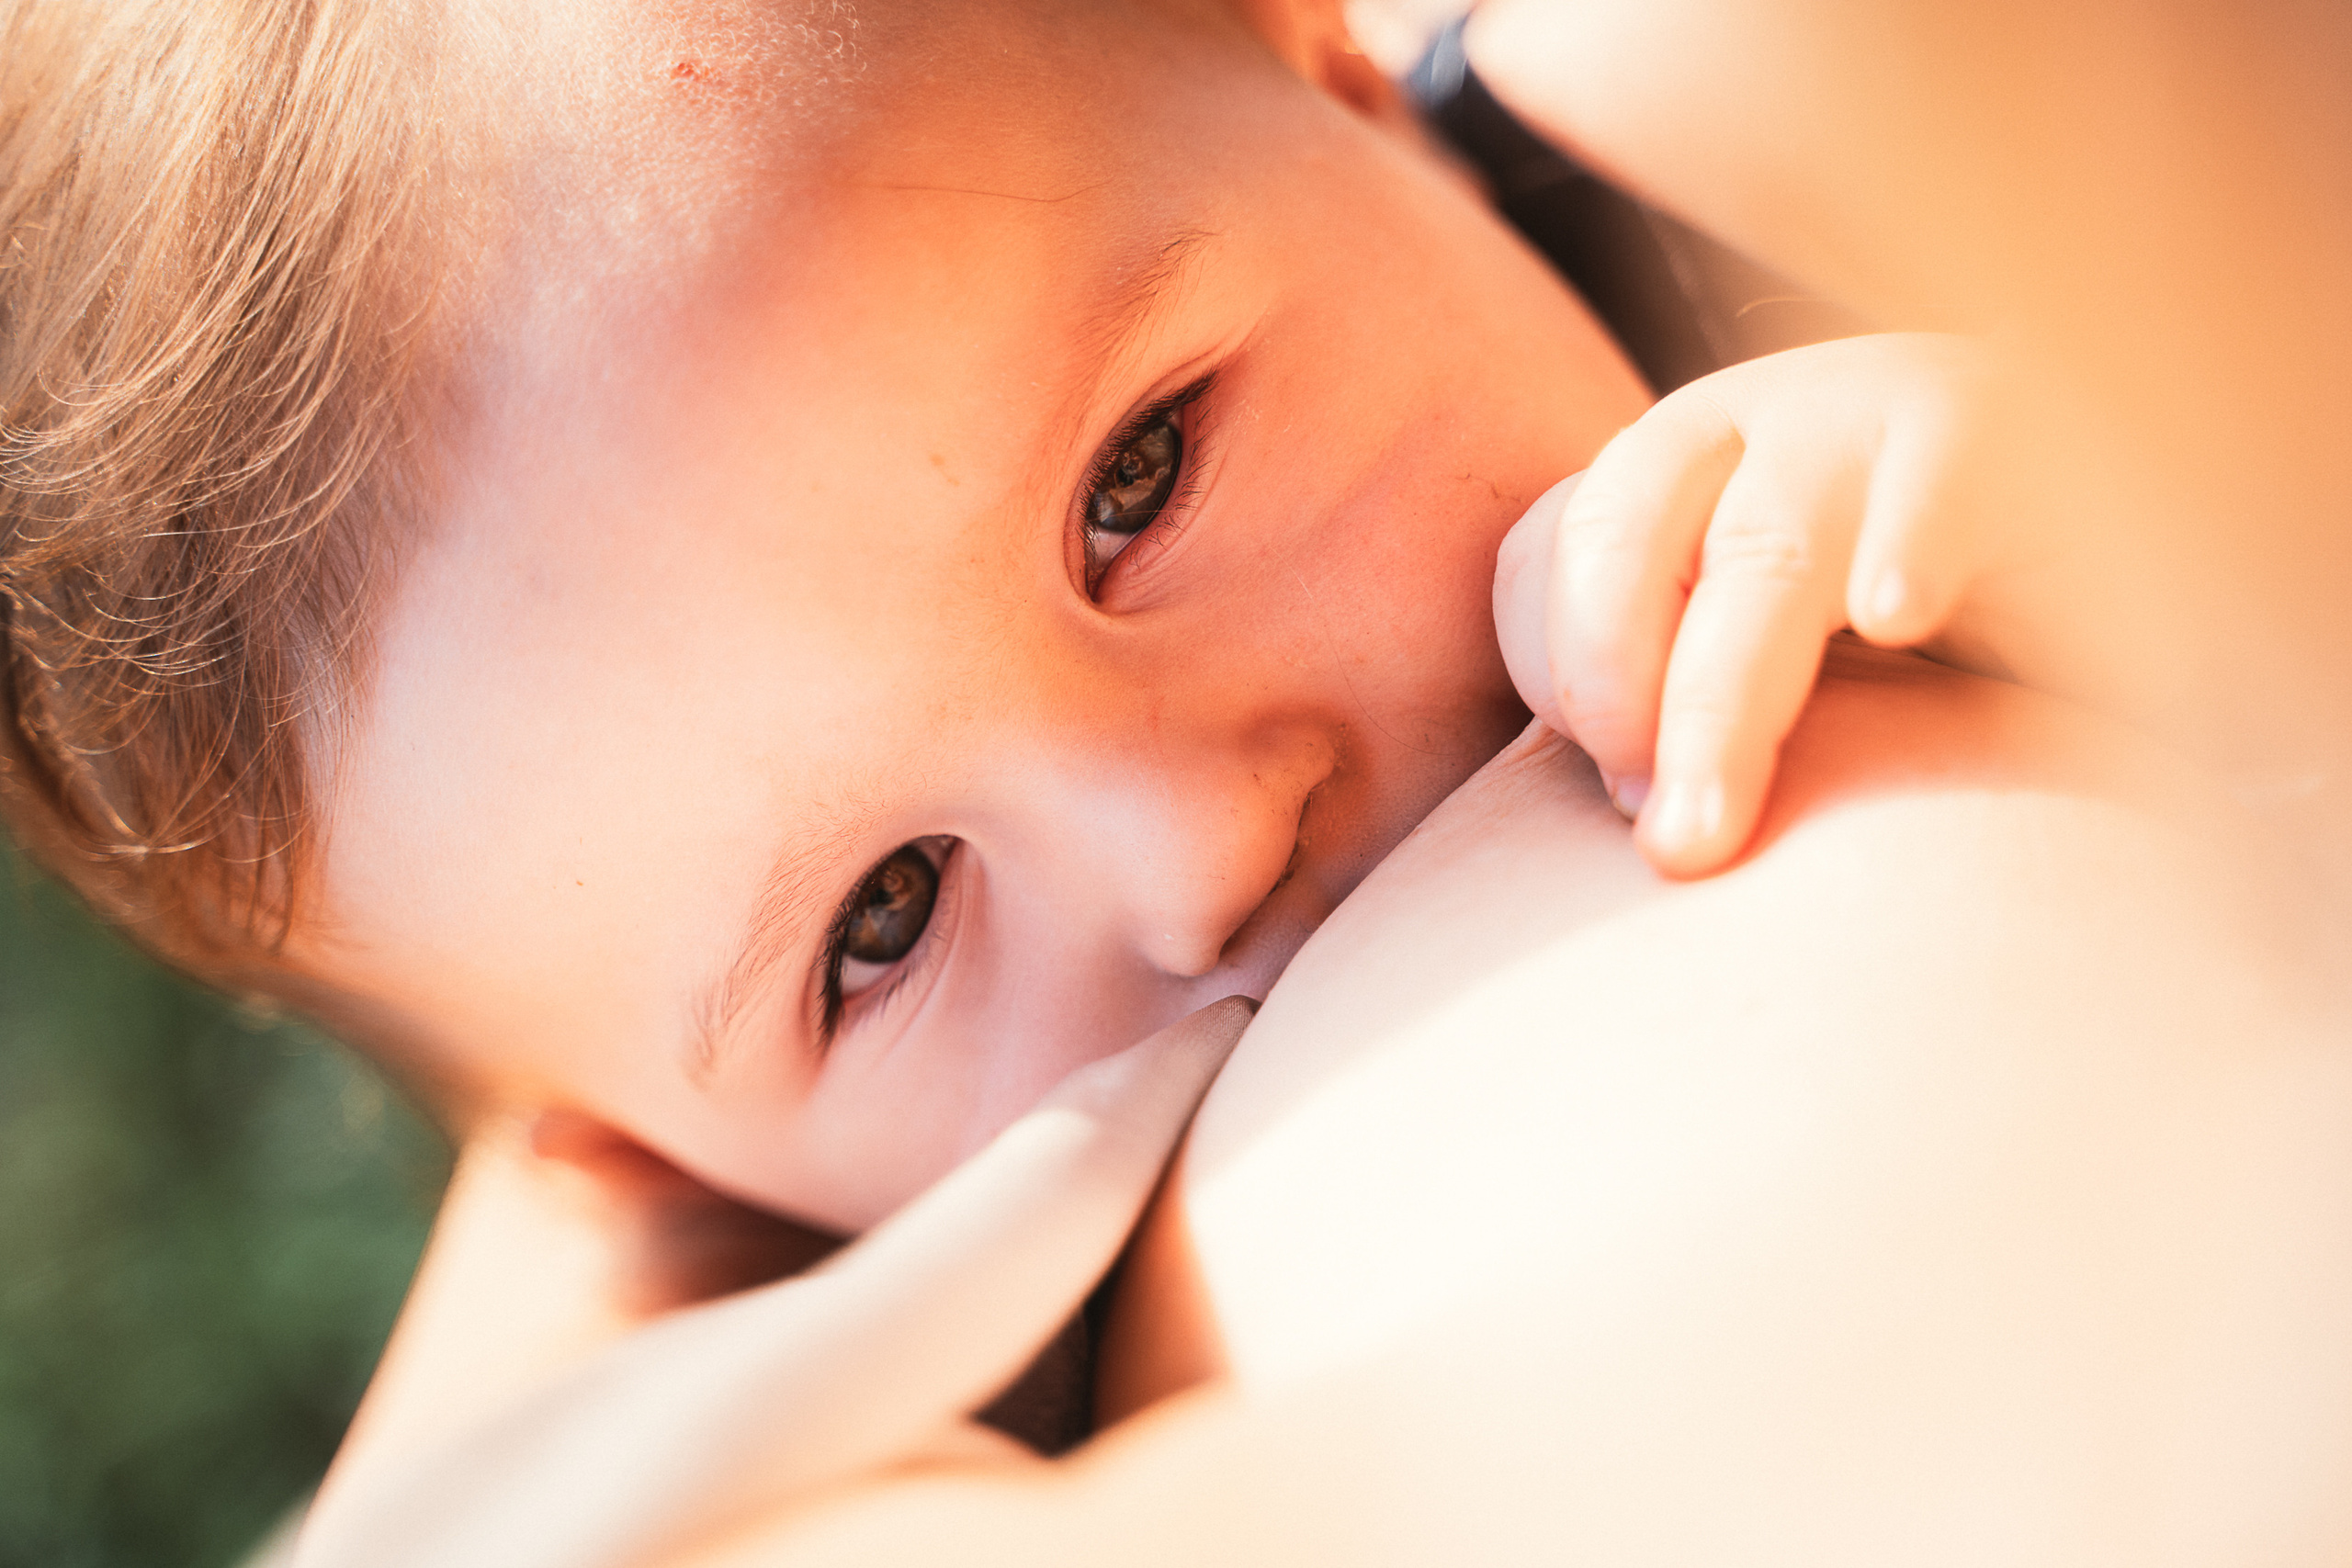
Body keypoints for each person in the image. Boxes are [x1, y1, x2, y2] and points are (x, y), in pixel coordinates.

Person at [4, 0, 2346, 1562]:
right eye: (887, 918)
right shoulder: (828, 1340)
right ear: (645, 1165)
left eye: (1139, 476)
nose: (1198, 845)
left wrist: (2129, 477)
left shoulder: (1744, 175)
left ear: (1321, 68)